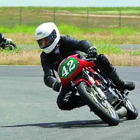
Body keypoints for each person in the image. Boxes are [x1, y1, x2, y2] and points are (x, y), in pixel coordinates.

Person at [35, 22, 135, 110]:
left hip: (83, 63)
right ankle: (90, 99)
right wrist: (55, 84)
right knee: (62, 102)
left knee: (101, 58)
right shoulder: (45, 56)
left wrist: (90, 49)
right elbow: (48, 76)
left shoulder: (64, 40)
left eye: (46, 40)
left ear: (54, 35)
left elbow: (81, 43)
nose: (44, 44)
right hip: (69, 78)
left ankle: (119, 83)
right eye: (41, 42)